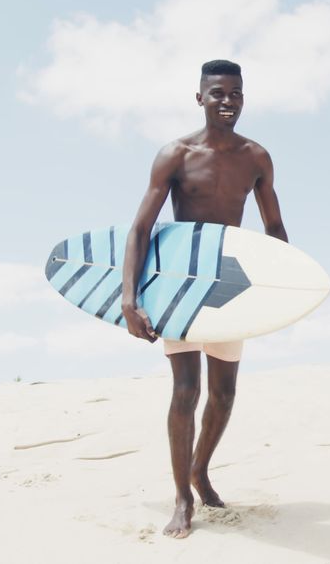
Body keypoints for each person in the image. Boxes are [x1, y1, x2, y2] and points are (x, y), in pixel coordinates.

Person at [120, 59, 288, 539]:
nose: (228, 101)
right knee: (185, 390)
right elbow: (140, 229)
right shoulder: (175, 154)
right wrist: (130, 299)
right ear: (200, 98)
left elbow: (273, 227)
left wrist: (282, 289)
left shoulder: (256, 157)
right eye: (218, 93)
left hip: (228, 284)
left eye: (235, 93)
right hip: (180, 282)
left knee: (225, 394)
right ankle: (182, 497)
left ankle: (200, 468)